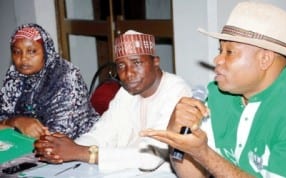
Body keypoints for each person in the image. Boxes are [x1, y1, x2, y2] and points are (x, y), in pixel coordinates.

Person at [140, 2, 286, 178]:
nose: (217, 59)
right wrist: (178, 140)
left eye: (229, 52)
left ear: (265, 59)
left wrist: (204, 154)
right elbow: (193, 176)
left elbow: (206, 159)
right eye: (220, 50)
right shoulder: (218, 94)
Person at [34, 30, 192, 173]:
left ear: (156, 61)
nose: (128, 73)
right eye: (121, 65)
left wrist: (80, 152)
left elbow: (151, 156)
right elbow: (102, 133)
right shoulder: (127, 91)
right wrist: (60, 148)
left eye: (136, 63)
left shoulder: (177, 91)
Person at [0, 23, 99, 139]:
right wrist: (16, 121)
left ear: (46, 52)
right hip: (28, 145)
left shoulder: (66, 77)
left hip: (79, 145)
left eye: (31, 51)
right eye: (17, 52)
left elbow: (58, 137)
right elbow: (3, 119)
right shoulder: (14, 76)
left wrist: (12, 126)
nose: (23, 58)